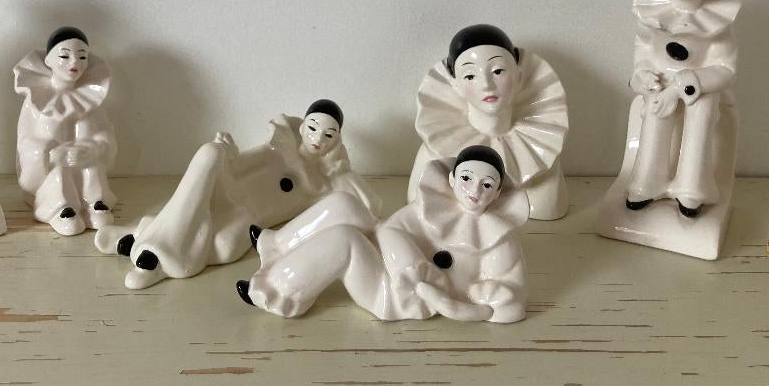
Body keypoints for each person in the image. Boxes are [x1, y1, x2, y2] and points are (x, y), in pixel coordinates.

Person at [94, 100, 381, 289]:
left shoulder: (326, 182)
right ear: (303, 125)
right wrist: (228, 154)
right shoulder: (279, 146)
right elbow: (240, 165)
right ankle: (155, 256)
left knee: (222, 245)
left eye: (329, 135)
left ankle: (142, 233)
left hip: (246, 218)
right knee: (210, 152)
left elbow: (372, 206)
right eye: (313, 128)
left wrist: (344, 169)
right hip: (229, 193)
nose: (317, 139)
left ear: (337, 140)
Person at [237, 145, 528, 323]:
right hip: (397, 262)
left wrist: (478, 300)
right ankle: (275, 244)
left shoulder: (497, 239)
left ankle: (276, 290)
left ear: (497, 192)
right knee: (345, 204)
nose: (474, 191)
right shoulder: (430, 208)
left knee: (344, 239)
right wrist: (408, 264)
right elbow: (391, 229)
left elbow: (512, 302)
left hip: (398, 293)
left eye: (487, 185)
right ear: (452, 179)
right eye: (466, 178)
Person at [408, 24, 569, 220]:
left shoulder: (542, 149)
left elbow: (550, 209)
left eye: (498, 71)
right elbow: (418, 203)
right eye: (470, 75)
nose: (486, 84)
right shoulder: (437, 151)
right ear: (456, 86)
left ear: (518, 76)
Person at [625, 0, 740, 217]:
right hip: (662, 78)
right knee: (656, 111)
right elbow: (644, 47)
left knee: (701, 113)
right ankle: (647, 182)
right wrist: (642, 73)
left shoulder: (718, 25)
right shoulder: (652, 15)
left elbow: (726, 68)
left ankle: (692, 188)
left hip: (699, 84)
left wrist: (684, 84)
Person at [13, 26, 118, 235]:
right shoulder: (36, 99)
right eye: (64, 56)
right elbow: (25, 140)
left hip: (85, 167)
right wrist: (49, 153)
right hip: (53, 168)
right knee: (60, 168)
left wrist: (93, 149)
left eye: (82, 56)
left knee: (91, 161)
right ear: (49, 60)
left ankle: (94, 202)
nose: (74, 63)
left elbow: (105, 134)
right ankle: (61, 207)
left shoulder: (91, 98)